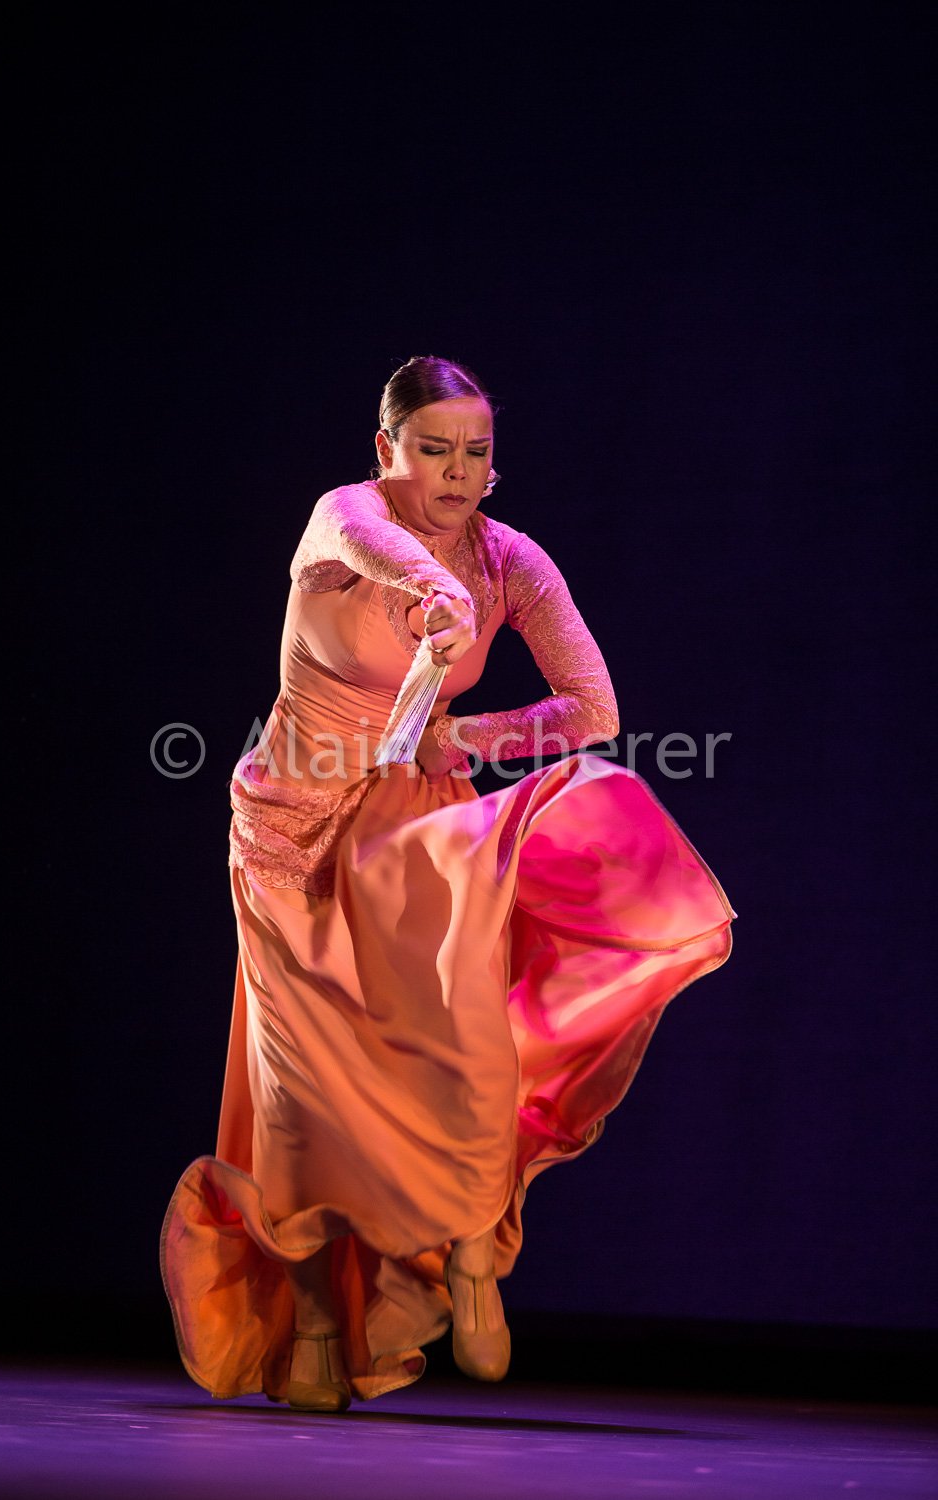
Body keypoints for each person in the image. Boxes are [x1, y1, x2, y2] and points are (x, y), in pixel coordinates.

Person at [160, 356, 735, 1413]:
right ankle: (317, 1327)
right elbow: (396, 560)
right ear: (388, 450)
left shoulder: (511, 559)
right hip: (291, 837)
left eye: (477, 453)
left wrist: (468, 733)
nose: (459, 472)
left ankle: (472, 1255)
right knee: (300, 1098)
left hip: (413, 825)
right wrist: (438, 601)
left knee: (462, 1050)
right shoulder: (342, 519)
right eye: (435, 451)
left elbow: (592, 707)